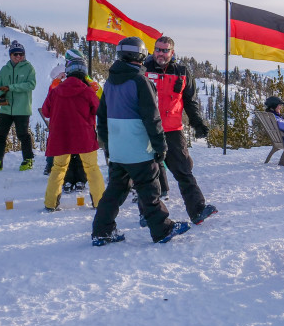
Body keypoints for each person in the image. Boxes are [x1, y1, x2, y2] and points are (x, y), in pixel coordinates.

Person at [91, 36, 189, 246]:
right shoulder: (140, 81)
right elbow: (151, 118)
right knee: (149, 187)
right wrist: (160, 145)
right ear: (141, 55)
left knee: (115, 191)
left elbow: (102, 116)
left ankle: (102, 231)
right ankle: (162, 229)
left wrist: (108, 145)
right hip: (137, 146)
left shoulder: (109, 83)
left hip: (117, 148)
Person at [143, 36, 216, 223]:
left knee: (184, 170)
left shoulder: (182, 72)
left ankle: (198, 210)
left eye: (165, 50)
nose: (160, 53)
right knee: (147, 174)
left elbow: (190, 102)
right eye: (157, 49)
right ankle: (147, 213)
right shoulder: (143, 69)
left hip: (173, 129)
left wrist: (197, 123)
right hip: (146, 130)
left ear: (172, 52)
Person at [39, 57, 106, 212]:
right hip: (84, 136)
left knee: (58, 168)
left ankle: (50, 203)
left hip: (60, 137)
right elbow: (98, 110)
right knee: (92, 168)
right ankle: (99, 202)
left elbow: (46, 112)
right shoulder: (87, 91)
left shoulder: (56, 91)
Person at [0, 40, 37, 171]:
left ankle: (28, 159)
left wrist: (11, 87)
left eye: (21, 54)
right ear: (10, 55)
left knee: (23, 135)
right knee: (0, 134)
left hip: (22, 108)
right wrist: (0, 95)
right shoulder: (5, 69)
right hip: (6, 108)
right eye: (15, 54)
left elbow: (31, 85)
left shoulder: (28, 68)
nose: (19, 57)